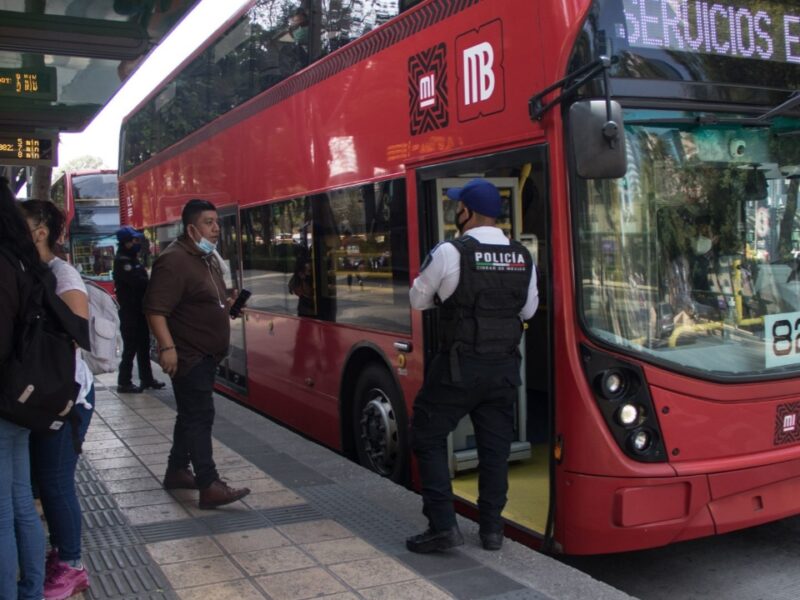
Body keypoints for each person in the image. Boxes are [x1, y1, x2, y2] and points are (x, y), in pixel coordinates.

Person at [405, 178, 538, 553]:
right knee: (495, 450)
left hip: (459, 368)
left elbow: (419, 299)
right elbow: (528, 310)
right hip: (504, 370)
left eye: (458, 206)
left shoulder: (451, 252)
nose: (455, 211)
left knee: (427, 436)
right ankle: (492, 531)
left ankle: (443, 526)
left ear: (469, 213)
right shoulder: (521, 255)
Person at [143, 199, 250, 509]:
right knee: (200, 417)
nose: (216, 228)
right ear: (191, 228)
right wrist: (167, 348)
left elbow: (203, 301)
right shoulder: (173, 260)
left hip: (205, 355)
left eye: (217, 222)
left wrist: (225, 308)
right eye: (208, 223)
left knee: (190, 416)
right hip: (189, 356)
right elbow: (154, 310)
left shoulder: (204, 258)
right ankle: (208, 482)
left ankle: (177, 470)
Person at [20, 199, 94, 599]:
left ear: (41, 231)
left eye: (21, 224)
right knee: (45, 482)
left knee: (56, 483)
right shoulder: (30, 270)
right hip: (43, 396)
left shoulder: (61, 274)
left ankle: (72, 564)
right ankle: (61, 555)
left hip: (65, 396)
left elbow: (76, 332)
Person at [0, 177, 47, 600]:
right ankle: (31, 590)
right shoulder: (22, 261)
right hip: (19, 400)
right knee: (18, 505)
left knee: (1, 513)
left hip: (2, 401)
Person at [113, 225, 165, 393]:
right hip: (130, 312)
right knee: (130, 348)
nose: (137, 243)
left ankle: (147, 379)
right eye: (134, 240)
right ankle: (124, 382)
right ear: (125, 242)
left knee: (143, 346)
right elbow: (139, 282)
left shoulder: (133, 259)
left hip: (139, 310)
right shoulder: (123, 261)